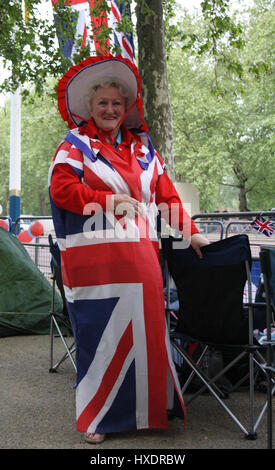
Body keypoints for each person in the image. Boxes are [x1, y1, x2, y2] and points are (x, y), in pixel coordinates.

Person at [49, 54, 209, 444]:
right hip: (97, 266)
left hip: (141, 261)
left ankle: (146, 412)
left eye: (116, 104)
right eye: (102, 103)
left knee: (149, 334)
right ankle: (98, 419)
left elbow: (167, 195)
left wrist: (193, 234)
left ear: (127, 108)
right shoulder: (75, 145)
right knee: (98, 337)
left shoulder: (143, 149)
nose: (109, 109)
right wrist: (109, 201)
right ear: (90, 107)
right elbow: (61, 190)